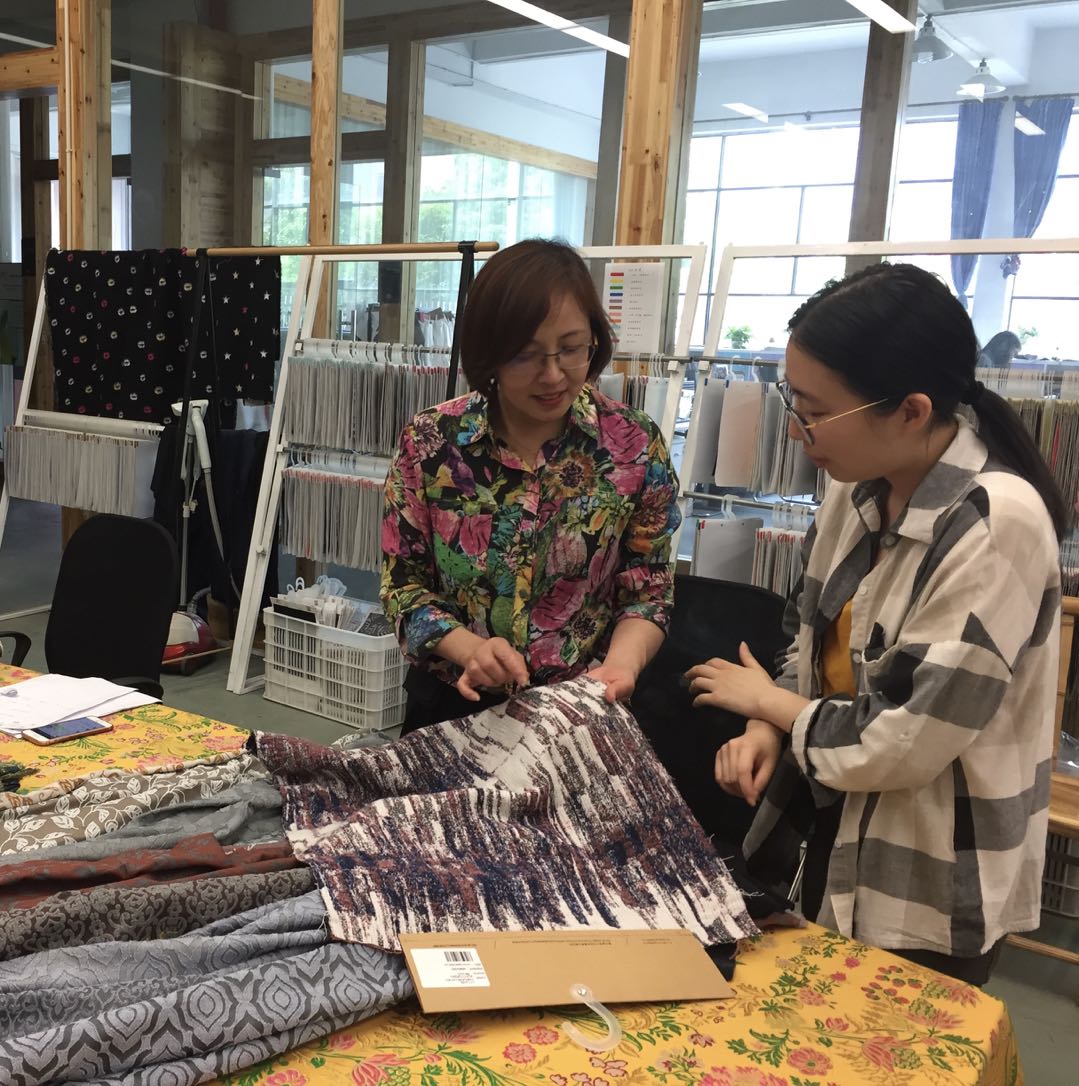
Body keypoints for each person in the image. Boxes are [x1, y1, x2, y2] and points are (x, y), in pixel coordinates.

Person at [686, 262, 1065, 986]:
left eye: (814, 410)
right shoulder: (856, 489)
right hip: (820, 840)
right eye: (793, 400)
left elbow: (902, 740)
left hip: (922, 881)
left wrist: (768, 706)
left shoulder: (995, 525)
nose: (797, 430)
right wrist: (767, 725)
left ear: (911, 411)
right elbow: (806, 634)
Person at [380, 239, 681, 733]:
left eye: (572, 349)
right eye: (526, 355)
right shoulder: (432, 442)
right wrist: (471, 650)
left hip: (581, 707)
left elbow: (648, 587)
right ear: (491, 353)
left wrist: (622, 665)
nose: (553, 375)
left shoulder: (633, 443)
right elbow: (403, 585)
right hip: (453, 704)